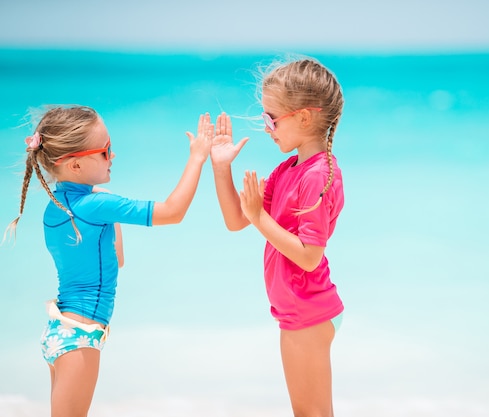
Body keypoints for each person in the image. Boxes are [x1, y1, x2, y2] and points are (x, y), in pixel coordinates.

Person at [4, 105, 213, 417]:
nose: (112, 156)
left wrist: (105, 203)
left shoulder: (56, 208)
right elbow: (173, 212)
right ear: (75, 165)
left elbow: (116, 259)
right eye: (105, 151)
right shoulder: (97, 204)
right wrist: (197, 158)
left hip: (60, 330)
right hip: (81, 338)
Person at [210, 57, 345, 417]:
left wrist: (259, 218)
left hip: (308, 310)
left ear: (303, 117)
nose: (267, 128)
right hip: (297, 310)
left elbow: (309, 255)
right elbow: (236, 220)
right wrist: (222, 168)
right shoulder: (288, 169)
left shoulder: (317, 176)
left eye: (271, 118)